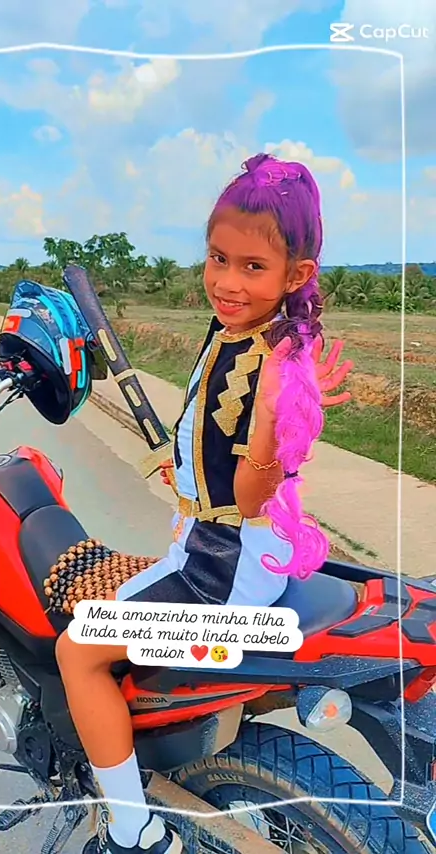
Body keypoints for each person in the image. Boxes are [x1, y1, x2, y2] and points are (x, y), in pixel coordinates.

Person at [55, 153, 354, 854]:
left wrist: (272, 424)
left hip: (221, 570)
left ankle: (134, 831)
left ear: (296, 275)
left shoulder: (278, 367)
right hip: (225, 546)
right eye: (218, 259)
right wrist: (187, 472)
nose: (226, 282)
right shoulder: (241, 331)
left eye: (252, 266)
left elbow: (251, 494)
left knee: (77, 652)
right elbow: (212, 439)